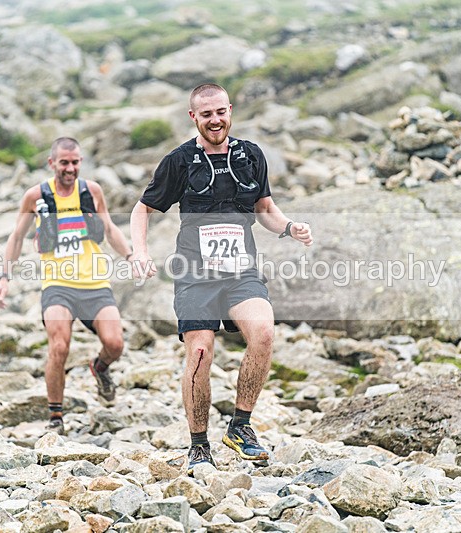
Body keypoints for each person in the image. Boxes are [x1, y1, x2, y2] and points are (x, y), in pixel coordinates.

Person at [129, 84, 313, 475]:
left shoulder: (250, 156)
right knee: (200, 352)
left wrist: (289, 227)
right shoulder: (179, 161)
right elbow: (142, 210)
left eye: (220, 112)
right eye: (206, 114)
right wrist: (140, 253)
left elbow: (265, 208)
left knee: (263, 332)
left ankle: (240, 427)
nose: (215, 120)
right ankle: (198, 445)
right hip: (195, 275)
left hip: (241, 272)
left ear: (230, 110)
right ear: (193, 117)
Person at [0, 137, 133, 435]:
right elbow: (17, 237)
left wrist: (132, 255)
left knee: (115, 344)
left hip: (95, 283)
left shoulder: (92, 191)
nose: (70, 168)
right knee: (59, 347)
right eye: (64, 163)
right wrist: (4, 277)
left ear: (80, 162)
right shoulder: (36, 196)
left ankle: (100, 367)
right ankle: (56, 416)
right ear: (52, 163)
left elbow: (109, 228)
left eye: (75, 163)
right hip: (58, 285)